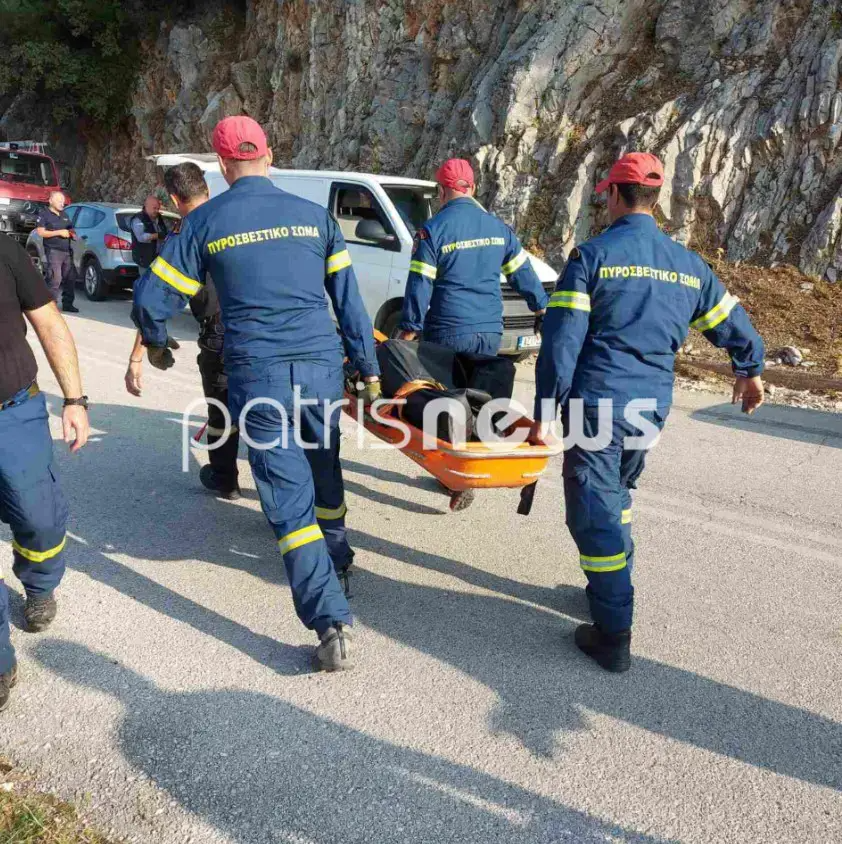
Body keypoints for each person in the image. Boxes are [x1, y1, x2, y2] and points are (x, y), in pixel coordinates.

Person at [133, 116, 381, 671]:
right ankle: (337, 552)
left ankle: (331, 620)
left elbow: (152, 300)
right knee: (325, 466)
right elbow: (351, 304)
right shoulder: (316, 218)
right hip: (320, 369)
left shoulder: (206, 224)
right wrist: (367, 370)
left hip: (259, 376)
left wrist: (155, 343)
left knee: (289, 505)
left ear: (222, 167)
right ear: (270, 155)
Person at [533, 152, 765, 674]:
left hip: (599, 404)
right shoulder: (688, 265)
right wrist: (749, 368)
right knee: (618, 494)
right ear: (654, 201)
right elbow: (729, 321)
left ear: (613, 195)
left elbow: (562, 341)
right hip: (650, 408)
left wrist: (546, 409)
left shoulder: (591, 257)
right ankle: (607, 585)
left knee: (593, 511)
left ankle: (613, 630)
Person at [0, 233, 89, 712]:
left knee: (38, 518)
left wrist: (74, 399)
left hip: (12, 409)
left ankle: (40, 584)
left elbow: (49, 322)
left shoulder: (4, 250)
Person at [125, 163, 240, 500]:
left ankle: (225, 479)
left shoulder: (187, 233)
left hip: (221, 334)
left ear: (175, 198)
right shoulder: (238, 216)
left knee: (221, 412)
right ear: (206, 185)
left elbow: (152, 300)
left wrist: (145, 351)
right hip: (265, 330)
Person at [398, 158, 548, 355]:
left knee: (448, 386)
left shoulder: (432, 232)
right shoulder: (499, 229)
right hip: (490, 332)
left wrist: (409, 329)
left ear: (441, 191)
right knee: (482, 386)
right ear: (473, 188)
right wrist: (541, 308)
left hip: (448, 331)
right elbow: (522, 272)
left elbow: (420, 284)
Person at [35, 190, 79, 313]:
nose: (62, 203)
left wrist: (73, 234)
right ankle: (51, 305)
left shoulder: (64, 214)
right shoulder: (44, 214)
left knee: (70, 277)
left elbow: (70, 228)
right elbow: (40, 232)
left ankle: (68, 304)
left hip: (67, 251)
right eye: (59, 201)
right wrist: (59, 232)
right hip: (53, 250)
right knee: (55, 278)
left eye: (63, 201)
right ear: (50, 200)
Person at [130, 195, 168, 270]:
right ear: (147, 206)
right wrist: (157, 235)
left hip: (158, 259)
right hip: (145, 260)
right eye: (154, 208)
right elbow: (141, 238)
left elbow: (164, 230)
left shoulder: (158, 217)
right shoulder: (138, 219)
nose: (157, 211)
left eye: (158, 208)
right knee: (146, 280)